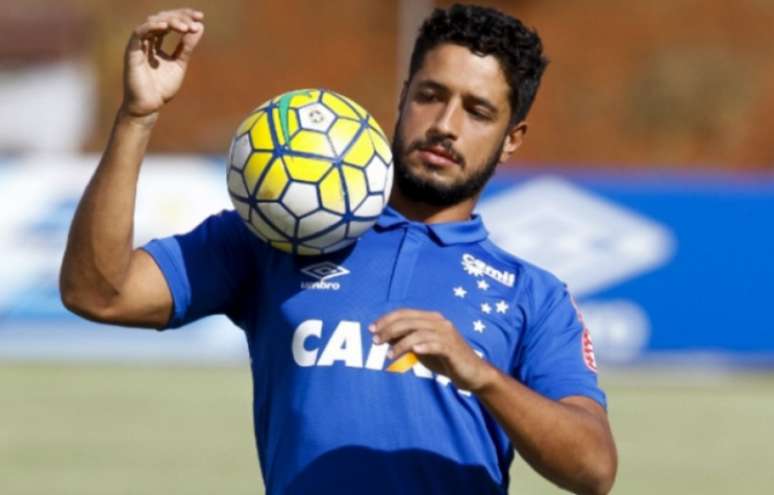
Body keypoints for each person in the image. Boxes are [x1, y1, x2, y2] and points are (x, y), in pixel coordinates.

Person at [60, 4, 617, 494]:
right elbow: (98, 293)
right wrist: (138, 116)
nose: (445, 125)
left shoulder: (533, 295)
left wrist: (481, 374)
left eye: (477, 111)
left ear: (512, 137)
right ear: (402, 99)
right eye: (430, 96)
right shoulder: (280, 232)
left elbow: (594, 469)